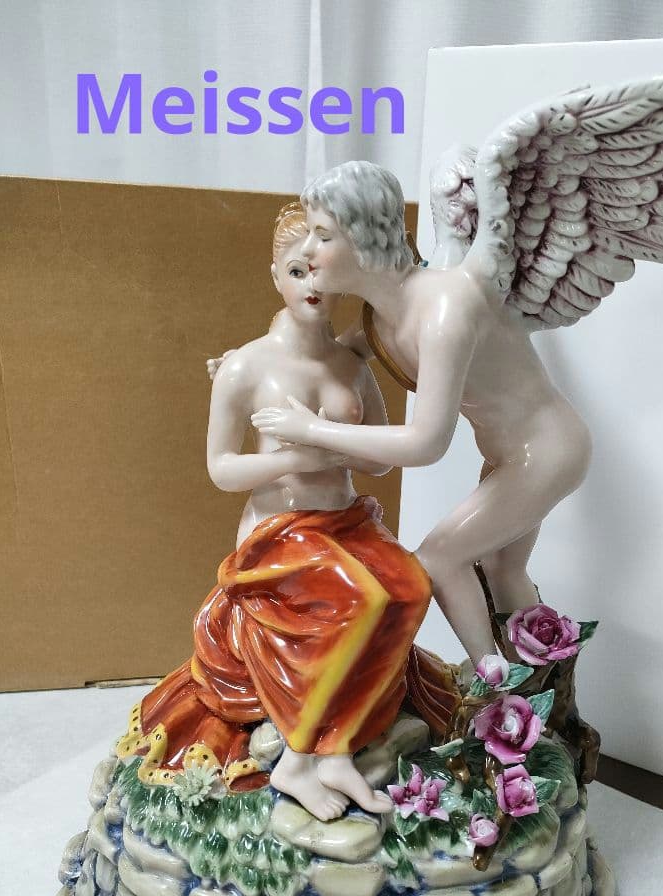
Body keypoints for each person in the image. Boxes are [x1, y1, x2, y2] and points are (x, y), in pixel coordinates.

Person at [117, 203, 435, 820]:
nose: (311, 285)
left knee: (411, 588)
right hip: (280, 530)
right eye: (296, 271)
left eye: (322, 272)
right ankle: (297, 757)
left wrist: (330, 445)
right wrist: (293, 459)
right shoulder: (246, 365)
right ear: (275, 276)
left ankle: (337, 749)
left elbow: (380, 461)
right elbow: (221, 468)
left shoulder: (351, 365)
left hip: (346, 522)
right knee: (362, 598)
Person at [251, 162, 591, 666]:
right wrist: (251, 363)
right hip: (510, 457)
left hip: (546, 452)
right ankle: (540, 682)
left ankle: (492, 682)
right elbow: (332, 357)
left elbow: (425, 443)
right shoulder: (384, 316)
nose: (309, 251)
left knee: (438, 557)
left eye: (322, 235)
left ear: (361, 236)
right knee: (501, 569)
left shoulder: (443, 310)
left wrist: (315, 429)